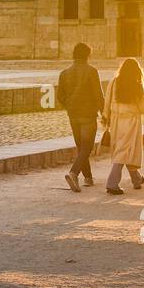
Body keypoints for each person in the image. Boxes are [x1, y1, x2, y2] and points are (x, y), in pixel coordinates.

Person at [101, 57, 144, 195]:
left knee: (124, 149)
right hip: (131, 121)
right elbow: (142, 102)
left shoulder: (113, 82)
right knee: (125, 150)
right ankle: (112, 184)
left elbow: (107, 100)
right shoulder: (136, 83)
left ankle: (136, 180)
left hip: (116, 120)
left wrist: (106, 116)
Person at [57, 42, 103, 192]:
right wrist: (104, 114)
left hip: (73, 115)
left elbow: (60, 96)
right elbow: (98, 96)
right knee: (87, 146)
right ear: (88, 55)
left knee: (81, 147)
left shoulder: (64, 73)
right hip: (88, 114)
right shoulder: (91, 71)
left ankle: (88, 178)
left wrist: (70, 106)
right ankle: (74, 173)